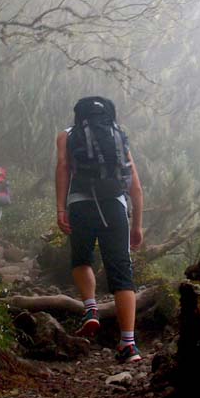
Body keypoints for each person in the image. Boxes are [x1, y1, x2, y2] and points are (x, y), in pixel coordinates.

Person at [55, 97, 144, 363]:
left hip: (81, 204)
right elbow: (135, 186)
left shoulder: (67, 135)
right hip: (115, 206)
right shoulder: (118, 136)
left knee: (82, 259)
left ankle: (91, 309)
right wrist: (137, 225)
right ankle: (128, 344)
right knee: (121, 272)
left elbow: (63, 169)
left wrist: (61, 209)